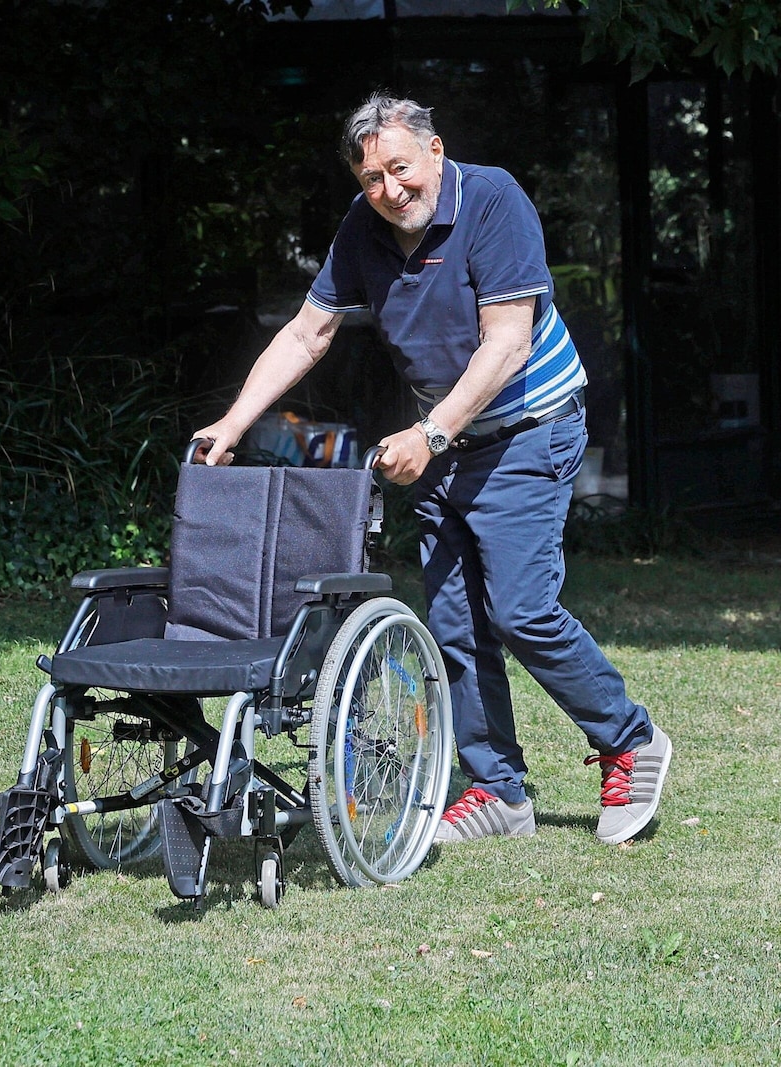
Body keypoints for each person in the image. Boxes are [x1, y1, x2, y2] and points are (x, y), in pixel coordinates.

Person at [193, 93, 672, 847]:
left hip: (526, 428)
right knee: (453, 623)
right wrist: (234, 422)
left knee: (521, 609)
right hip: (445, 439)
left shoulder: (493, 200)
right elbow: (307, 333)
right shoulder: (364, 230)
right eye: (371, 179)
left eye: (400, 169)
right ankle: (497, 791)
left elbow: (508, 341)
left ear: (436, 151)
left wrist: (432, 431)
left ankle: (629, 740)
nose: (389, 190)